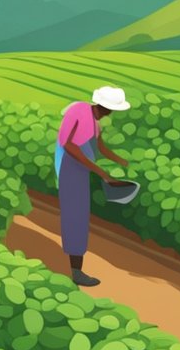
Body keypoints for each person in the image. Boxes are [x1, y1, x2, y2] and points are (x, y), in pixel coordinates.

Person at [55, 86, 131, 287]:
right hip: (70, 169)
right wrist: (100, 172)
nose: (112, 113)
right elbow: (68, 144)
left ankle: (77, 267)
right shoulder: (78, 111)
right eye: (111, 108)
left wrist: (121, 161)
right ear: (104, 106)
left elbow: (100, 147)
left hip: (81, 171)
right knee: (74, 218)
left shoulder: (95, 123)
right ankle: (76, 272)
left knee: (80, 217)